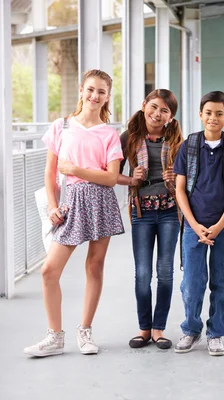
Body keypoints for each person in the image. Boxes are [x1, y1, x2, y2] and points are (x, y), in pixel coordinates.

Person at [24, 69, 124, 357]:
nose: (95, 96)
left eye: (101, 92)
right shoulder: (62, 126)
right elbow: (50, 172)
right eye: (91, 89)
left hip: (102, 201)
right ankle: (55, 336)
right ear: (81, 89)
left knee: (94, 267)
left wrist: (77, 170)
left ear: (107, 97)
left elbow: (111, 178)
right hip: (72, 201)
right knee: (49, 270)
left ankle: (85, 331)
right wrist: (54, 206)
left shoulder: (109, 134)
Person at [173, 91, 224, 355]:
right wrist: (194, 225)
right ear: (200, 114)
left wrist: (218, 226)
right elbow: (180, 189)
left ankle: (216, 333)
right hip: (194, 227)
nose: (213, 118)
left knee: (223, 282)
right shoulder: (189, 146)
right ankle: (191, 330)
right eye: (208, 112)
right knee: (192, 282)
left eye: (219, 113)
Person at [118, 89, 183, 350]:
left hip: (169, 210)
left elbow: (188, 178)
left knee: (165, 273)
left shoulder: (177, 139)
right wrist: (133, 178)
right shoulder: (130, 138)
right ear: (144, 105)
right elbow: (112, 173)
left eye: (164, 110)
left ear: (170, 116)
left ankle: (159, 329)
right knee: (142, 274)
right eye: (154, 107)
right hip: (142, 211)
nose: (157, 114)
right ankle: (144, 328)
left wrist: (174, 179)